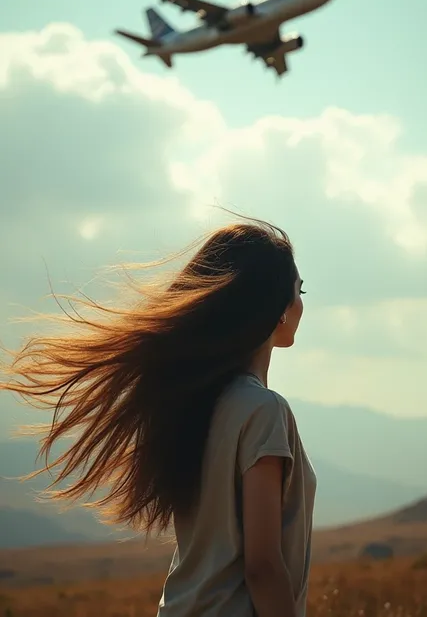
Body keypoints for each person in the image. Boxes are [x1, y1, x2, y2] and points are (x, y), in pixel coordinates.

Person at [1, 218, 317, 617]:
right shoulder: (264, 411)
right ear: (276, 308)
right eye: (298, 291)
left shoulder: (195, 402)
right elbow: (263, 565)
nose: (302, 302)